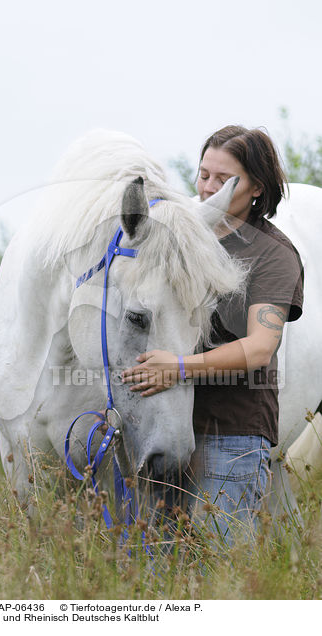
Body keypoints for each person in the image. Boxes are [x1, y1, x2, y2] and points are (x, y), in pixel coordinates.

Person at [121, 125, 304, 542]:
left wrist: (178, 367)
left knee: (219, 577)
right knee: (156, 574)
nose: (208, 188)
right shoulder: (178, 233)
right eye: (204, 174)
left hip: (231, 438)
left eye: (224, 180)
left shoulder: (272, 254)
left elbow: (259, 348)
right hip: (164, 431)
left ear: (257, 186)